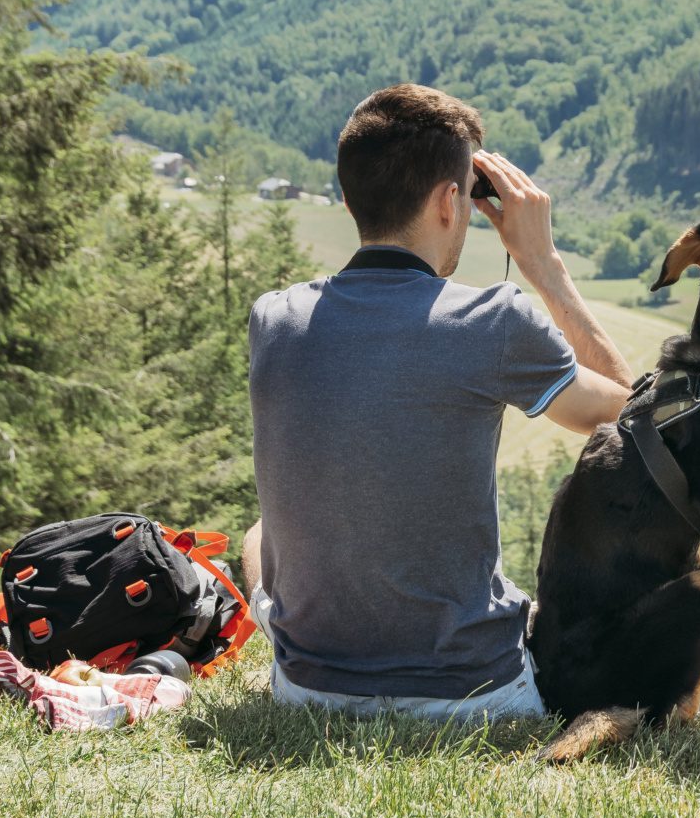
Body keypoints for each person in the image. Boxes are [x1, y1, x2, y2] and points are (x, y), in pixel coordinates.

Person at [241, 83, 632, 722]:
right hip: (471, 694)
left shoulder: (273, 318)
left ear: (348, 199)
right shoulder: (492, 321)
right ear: (453, 201)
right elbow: (629, 418)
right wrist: (544, 265)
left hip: (307, 686)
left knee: (259, 534)